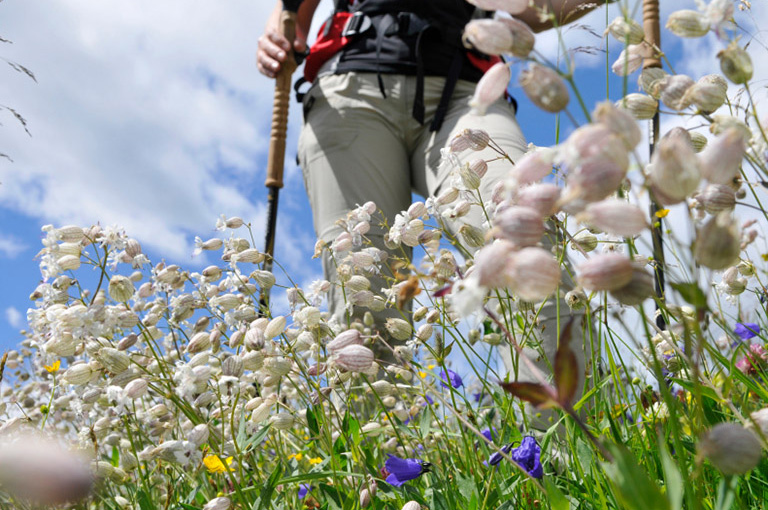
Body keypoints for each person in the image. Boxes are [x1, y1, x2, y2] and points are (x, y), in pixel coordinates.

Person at [257, 0, 610, 411]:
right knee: (363, 295)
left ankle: (574, 454)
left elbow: (534, 11)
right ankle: (379, 468)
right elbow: (294, 14)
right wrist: (280, 38)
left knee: (524, 233)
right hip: (351, 89)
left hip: (469, 91)